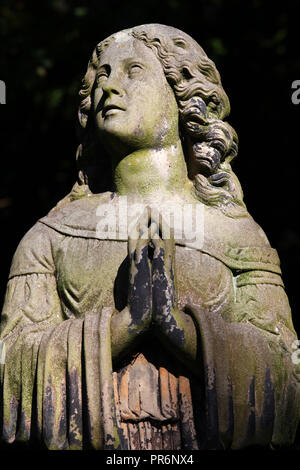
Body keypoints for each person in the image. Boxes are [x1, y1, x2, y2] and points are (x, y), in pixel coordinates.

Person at [0, 24, 299, 450]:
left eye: (132, 70)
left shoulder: (236, 233)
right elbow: (9, 367)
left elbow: (288, 372)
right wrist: (126, 325)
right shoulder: (50, 235)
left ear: (184, 99)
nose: (109, 86)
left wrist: (179, 330)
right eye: (101, 76)